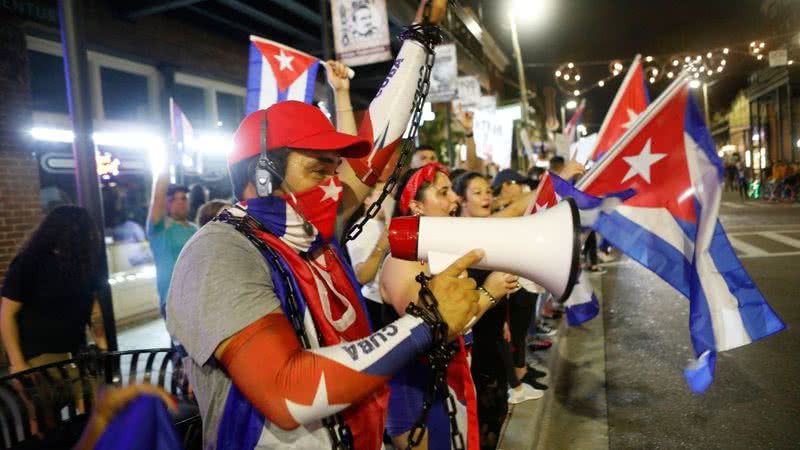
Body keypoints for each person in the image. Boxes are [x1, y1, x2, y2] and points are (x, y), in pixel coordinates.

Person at [166, 5, 481, 448]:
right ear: (262, 174)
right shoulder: (218, 252)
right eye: (320, 170)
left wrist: (419, 37)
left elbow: (377, 150)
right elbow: (286, 390)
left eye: (336, 170)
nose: (336, 185)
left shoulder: (310, 228)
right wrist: (425, 323)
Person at [380, 164, 521, 449]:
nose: (454, 200)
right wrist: (489, 294)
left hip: (449, 383)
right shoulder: (401, 260)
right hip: (415, 395)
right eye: (443, 192)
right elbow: (430, 325)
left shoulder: (440, 255)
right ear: (416, 206)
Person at [451, 171, 543, 448]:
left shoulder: (488, 231)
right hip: (469, 342)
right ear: (461, 200)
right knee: (482, 411)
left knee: (497, 407)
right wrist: (557, 180)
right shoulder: (459, 232)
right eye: (477, 192)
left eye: (487, 191)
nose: (486, 196)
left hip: (491, 334)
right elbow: (516, 208)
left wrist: (501, 318)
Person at [1, 206, 108, 374]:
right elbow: (7, 315)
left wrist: (102, 345)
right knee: (58, 398)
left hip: (77, 351)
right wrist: (17, 363)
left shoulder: (83, 263)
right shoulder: (30, 262)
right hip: (39, 355)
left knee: (90, 398)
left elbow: (93, 308)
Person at [147, 172, 198, 319]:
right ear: (166, 204)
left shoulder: (195, 229)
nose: (180, 202)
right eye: (173, 199)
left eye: (183, 198)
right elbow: (158, 197)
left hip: (199, 298)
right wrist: (166, 159)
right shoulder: (161, 228)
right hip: (174, 301)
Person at [345, 182, 395, 330]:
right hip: (375, 301)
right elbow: (362, 276)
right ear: (367, 199)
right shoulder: (362, 228)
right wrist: (382, 245)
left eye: (391, 194)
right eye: (383, 193)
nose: (389, 198)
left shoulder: (384, 223)